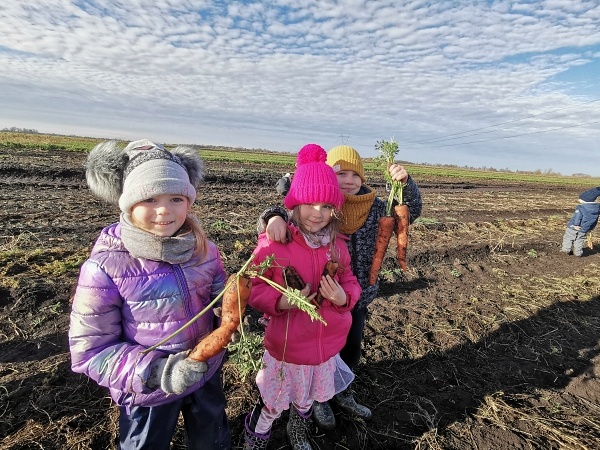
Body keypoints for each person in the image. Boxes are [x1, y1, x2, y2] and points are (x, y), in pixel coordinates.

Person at [69, 139, 230, 450]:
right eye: (150, 198)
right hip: (147, 389)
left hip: (204, 371)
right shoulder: (106, 266)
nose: (164, 211)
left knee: (212, 440)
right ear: (128, 204)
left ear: (189, 201)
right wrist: (157, 371)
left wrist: (230, 318)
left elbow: (219, 296)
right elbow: (90, 351)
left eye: (175, 198)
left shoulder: (204, 250)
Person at [257, 144, 422, 429]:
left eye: (354, 174)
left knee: (351, 347)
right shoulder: (324, 203)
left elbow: (410, 213)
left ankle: (342, 391)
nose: (347, 180)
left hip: (355, 293)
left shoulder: (376, 208)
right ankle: (319, 399)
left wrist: (405, 185)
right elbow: (290, 205)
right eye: (340, 173)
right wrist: (273, 217)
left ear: (363, 177)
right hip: (317, 295)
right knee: (320, 352)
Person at [242, 144, 362, 450]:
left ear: (335, 209)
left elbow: (349, 279)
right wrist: (281, 302)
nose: (317, 213)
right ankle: (256, 436)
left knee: (307, 399)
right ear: (294, 203)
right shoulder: (275, 244)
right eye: (309, 203)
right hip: (287, 346)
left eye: (326, 206)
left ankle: (299, 428)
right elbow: (253, 286)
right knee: (272, 402)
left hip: (325, 347)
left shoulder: (338, 245)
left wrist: (342, 297)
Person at [561, 186, 600, 257]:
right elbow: (595, 220)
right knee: (580, 239)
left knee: (568, 237)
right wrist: (591, 228)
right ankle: (578, 253)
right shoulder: (596, 209)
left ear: (586, 200)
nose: (579, 200)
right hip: (584, 228)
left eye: (580, 199)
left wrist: (576, 225)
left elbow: (577, 217)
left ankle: (565, 250)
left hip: (573, 226)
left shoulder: (581, 208)